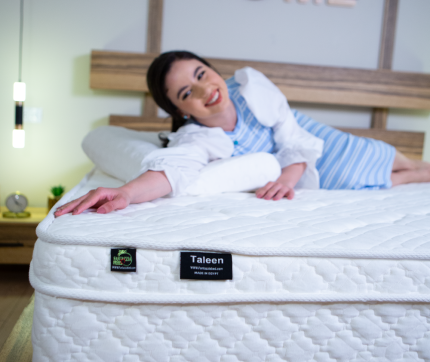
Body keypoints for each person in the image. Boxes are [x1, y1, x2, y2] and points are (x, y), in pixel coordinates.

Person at [55, 51, 430, 217]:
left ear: (213, 70)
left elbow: (292, 135)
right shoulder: (199, 137)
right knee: (391, 180)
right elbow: (172, 170)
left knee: (387, 156)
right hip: (317, 176)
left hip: (318, 143)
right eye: (187, 93)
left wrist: (287, 178)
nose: (205, 90)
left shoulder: (250, 85)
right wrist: (125, 193)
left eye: (202, 74)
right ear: (181, 111)